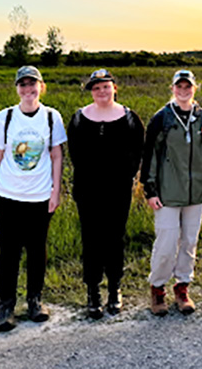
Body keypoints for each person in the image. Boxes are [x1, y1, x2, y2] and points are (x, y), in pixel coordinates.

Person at [0, 66, 67, 332]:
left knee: (36, 250)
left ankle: (34, 301)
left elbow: (56, 156)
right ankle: (6, 306)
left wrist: (56, 191)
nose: (28, 89)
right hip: (7, 196)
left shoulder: (52, 118)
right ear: (17, 88)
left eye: (33, 84)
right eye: (23, 85)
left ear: (41, 87)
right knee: (8, 253)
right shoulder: (5, 118)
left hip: (40, 197)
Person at [140, 70, 202, 316]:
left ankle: (182, 287)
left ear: (195, 88)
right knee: (165, 243)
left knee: (189, 242)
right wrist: (150, 189)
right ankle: (158, 289)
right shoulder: (161, 118)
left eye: (188, 87)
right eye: (179, 86)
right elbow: (150, 156)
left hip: (196, 193)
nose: (184, 91)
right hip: (166, 194)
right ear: (172, 89)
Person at [68, 69, 144, 319]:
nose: (102, 91)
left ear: (114, 88)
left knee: (115, 239)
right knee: (91, 240)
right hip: (88, 191)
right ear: (91, 91)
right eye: (96, 87)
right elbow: (75, 154)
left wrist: (124, 175)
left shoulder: (130, 118)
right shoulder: (79, 118)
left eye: (106, 86)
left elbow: (137, 152)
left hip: (118, 191)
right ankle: (93, 292)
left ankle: (114, 289)